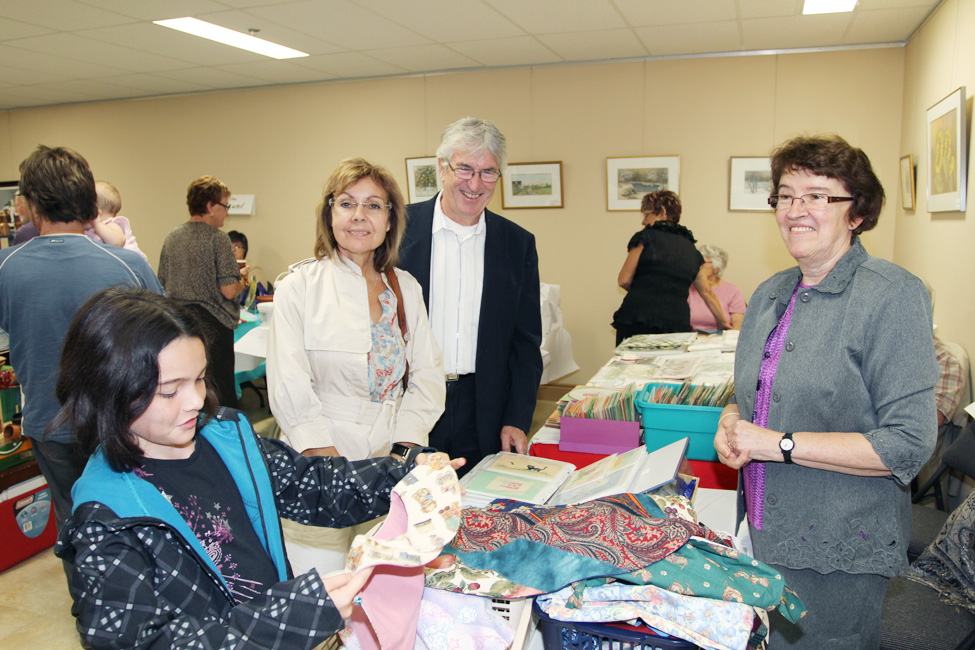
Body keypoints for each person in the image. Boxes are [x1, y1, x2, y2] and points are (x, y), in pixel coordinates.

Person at [52, 287, 461, 650]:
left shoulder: (227, 439)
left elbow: (312, 485)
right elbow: (144, 641)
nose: (195, 400)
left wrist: (402, 473)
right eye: (170, 390)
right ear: (108, 390)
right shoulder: (106, 520)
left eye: (198, 379)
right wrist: (291, 617)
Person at [713, 134, 938, 648]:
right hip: (763, 532)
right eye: (786, 195)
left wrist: (776, 443)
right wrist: (732, 421)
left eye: (818, 195)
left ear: (855, 213)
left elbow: (907, 443)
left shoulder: (891, 295)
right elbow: (754, 393)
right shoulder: (771, 293)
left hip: (838, 551)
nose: (796, 209)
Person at [266, 157, 446, 575]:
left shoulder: (405, 288)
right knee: (323, 591)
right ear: (329, 214)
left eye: (374, 205)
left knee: (379, 590)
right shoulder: (298, 287)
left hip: (389, 456)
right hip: (318, 457)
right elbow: (288, 383)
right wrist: (329, 468)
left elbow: (427, 377)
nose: (359, 216)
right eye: (347, 203)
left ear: (389, 220)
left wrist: (403, 451)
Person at [0, 145, 162, 532]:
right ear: (89, 203)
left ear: (31, 205)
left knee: (75, 527)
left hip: (49, 425)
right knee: (135, 521)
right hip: (122, 423)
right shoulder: (128, 264)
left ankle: (86, 592)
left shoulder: (6, 268)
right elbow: (168, 344)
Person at [399, 116, 543, 473]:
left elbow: (526, 343)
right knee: (407, 508)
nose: (475, 183)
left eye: (488, 172)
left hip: (485, 407)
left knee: (479, 512)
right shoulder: (396, 230)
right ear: (441, 168)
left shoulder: (517, 244)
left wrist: (517, 418)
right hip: (410, 402)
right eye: (464, 168)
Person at [158, 176, 248, 408]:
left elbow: (162, 283)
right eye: (225, 206)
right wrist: (243, 281)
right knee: (221, 389)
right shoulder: (217, 240)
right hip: (213, 326)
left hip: (178, 324)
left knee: (188, 386)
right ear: (210, 207)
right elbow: (228, 291)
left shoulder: (172, 237)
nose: (227, 213)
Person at [613, 190, 729, 344]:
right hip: (676, 321)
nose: (643, 222)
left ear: (662, 212)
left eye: (646, 215)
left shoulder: (646, 237)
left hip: (640, 317)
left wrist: (647, 291)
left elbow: (624, 280)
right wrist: (722, 323)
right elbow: (706, 292)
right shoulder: (690, 247)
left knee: (634, 365)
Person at [83, 181, 148, 261]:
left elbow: (117, 243)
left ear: (95, 210)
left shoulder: (113, 225)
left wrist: (96, 223)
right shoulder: (90, 228)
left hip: (130, 266)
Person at [688, 243, 746, 331]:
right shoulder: (688, 289)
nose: (696, 268)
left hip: (721, 341)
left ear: (716, 268)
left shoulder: (733, 291)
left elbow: (737, 329)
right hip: (692, 340)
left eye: (701, 264)